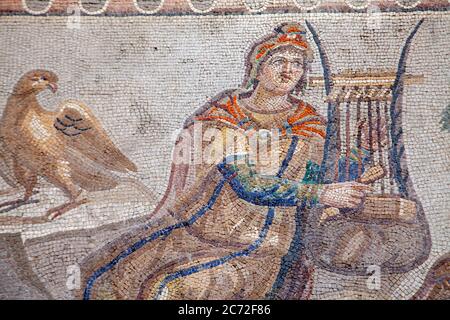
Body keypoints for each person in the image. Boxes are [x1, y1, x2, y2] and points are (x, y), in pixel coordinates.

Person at [79, 23, 373, 300]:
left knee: (169, 289)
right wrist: (320, 193)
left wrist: (364, 152)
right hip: (198, 230)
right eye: (278, 61)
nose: (288, 71)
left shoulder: (309, 122)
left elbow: (324, 175)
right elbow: (248, 185)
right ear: (258, 68)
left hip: (258, 245)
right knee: (101, 273)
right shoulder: (226, 114)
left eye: (297, 64)